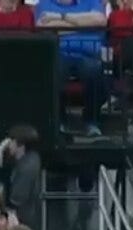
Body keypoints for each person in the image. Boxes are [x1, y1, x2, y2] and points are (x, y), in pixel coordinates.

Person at [35, 0, 110, 135]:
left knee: (94, 70)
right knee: (54, 71)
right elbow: (44, 28)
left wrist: (60, 18)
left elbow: (100, 21)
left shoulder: (91, 2)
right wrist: (85, 24)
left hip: (89, 55)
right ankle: (59, 121)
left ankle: (91, 121)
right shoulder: (45, 3)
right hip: (58, 53)